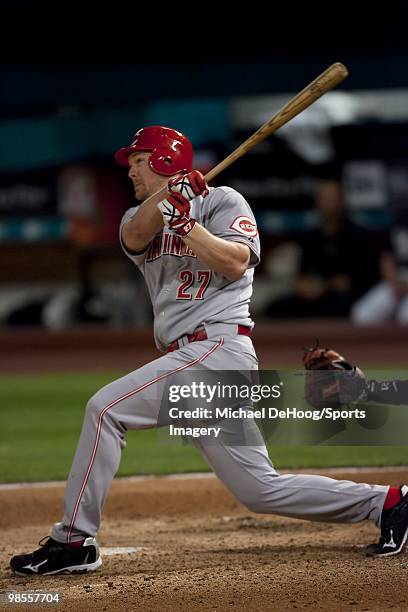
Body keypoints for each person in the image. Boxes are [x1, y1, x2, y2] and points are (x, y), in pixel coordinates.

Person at [10, 126, 408, 576]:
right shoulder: (136, 216)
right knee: (259, 490)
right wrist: (170, 205)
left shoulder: (225, 201)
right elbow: (138, 234)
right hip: (189, 360)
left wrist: (189, 225)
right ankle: (389, 502)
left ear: (163, 160)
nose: (130, 172)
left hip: (216, 350)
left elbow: (235, 261)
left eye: (138, 162)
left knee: (105, 410)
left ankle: (72, 541)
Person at [266, 179, 383, 318]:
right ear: (317, 202)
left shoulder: (358, 236)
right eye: (324, 199)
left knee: (342, 305)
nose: (328, 204)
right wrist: (304, 286)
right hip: (314, 296)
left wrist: (326, 286)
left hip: (346, 297)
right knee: (276, 308)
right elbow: (303, 274)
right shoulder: (310, 237)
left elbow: (351, 282)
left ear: (342, 202)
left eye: (332, 199)